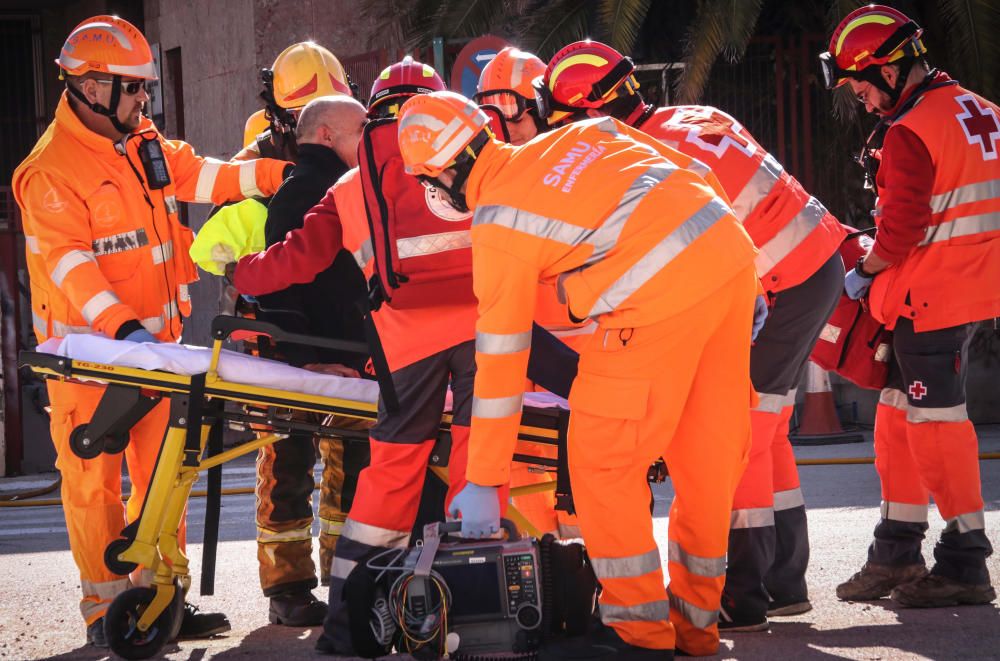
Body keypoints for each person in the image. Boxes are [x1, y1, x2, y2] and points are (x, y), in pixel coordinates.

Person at [399, 90, 764, 658]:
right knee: (706, 457)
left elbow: (500, 357)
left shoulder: (497, 223)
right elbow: (691, 172)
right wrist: (746, 275)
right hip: (729, 261)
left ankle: (638, 634)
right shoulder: (579, 135)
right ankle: (695, 629)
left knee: (600, 460)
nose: (430, 192)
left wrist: (486, 478)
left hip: (656, 302)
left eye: (426, 179)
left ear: (447, 170)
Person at [534, 39, 848, 631]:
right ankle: (783, 585)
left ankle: (744, 595)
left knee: (741, 435)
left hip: (780, 285)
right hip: (813, 263)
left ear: (591, 116)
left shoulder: (643, 159)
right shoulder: (692, 117)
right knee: (770, 433)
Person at [11, 15, 291, 647]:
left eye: (146, 89)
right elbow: (71, 267)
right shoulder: (50, 171)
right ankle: (106, 613)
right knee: (95, 489)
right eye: (134, 88)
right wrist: (126, 330)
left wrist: (281, 175)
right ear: (91, 86)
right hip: (94, 362)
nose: (145, 100)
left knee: (166, 478)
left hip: (156, 355)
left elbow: (203, 176)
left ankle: (160, 601)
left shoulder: (138, 139)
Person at [820, 4, 997, 607]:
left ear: (891, 70)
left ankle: (965, 564)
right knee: (897, 420)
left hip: (930, 299)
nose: (865, 102)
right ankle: (895, 553)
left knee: (937, 429)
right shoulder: (979, 111)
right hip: (955, 293)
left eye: (863, 86)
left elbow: (901, 230)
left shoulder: (910, 131)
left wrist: (864, 271)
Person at [249, 95, 371, 626]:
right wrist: (304, 361)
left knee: (344, 476)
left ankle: (331, 582)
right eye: (359, 129)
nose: (368, 139)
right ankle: (292, 587)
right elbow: (278, 286)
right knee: (289, 474)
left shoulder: (333, 186)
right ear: (326, 134)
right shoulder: (305, 190)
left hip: (340, 362)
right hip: (303, 368)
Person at [235, 41, 353, 162]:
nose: (323, 124)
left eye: (332, 111)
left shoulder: (360, 139)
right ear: (283, 117)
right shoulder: (262, 153)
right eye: (307, 113)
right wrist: (275, 172)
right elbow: (226, 174)